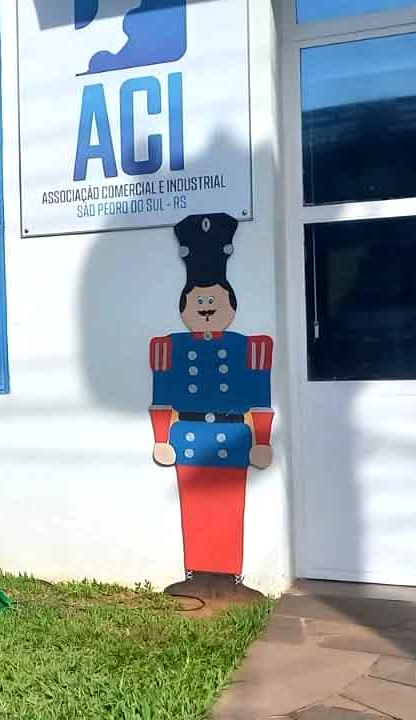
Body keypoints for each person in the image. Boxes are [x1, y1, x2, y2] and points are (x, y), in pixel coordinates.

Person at [149, 213, 274, 604]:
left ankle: (229, 579)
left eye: (214, 300)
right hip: (189, 439)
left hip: (232, 439)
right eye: (198, 301)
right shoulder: (170, 347)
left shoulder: (247, 346)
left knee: (229, 506)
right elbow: (162, 397)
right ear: (185, 306)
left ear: (230, 305)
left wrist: (262, 441)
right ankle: (197, 575)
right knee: (195, 507)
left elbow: (259, 397)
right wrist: (161, 439)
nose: (205, 307)